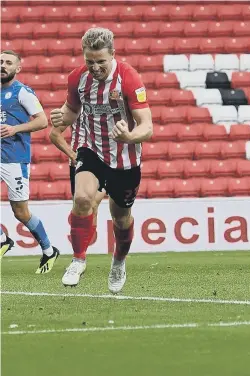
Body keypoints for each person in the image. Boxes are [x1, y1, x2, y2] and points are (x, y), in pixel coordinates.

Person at [50, 28, 153, 293]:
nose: (95, 67)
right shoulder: (77, 78)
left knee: (121, 218)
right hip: (90, 148)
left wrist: (130, 136)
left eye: (100, 61)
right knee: (82, 199)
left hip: (124, 156)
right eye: (90, 61)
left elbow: (147, 127)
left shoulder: (129, 78)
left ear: (113, 55)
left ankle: (118, 261)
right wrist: (61, 117)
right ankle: (78, 259)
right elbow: (71, 111)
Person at [0, 50, 60, 273]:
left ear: (17, 68)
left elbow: (43, 121)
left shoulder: (22, 92)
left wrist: (15, 128)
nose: (3, 66)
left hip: (15, 159)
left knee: (21, 212)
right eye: (0, 62)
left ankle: (48, 250)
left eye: (8, 63)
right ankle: (2, 240)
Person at [49, 118, 106, 246]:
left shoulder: (109, 105)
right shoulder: (76, 104)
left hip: (106, 159)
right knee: (83, 205)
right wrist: (73, 155)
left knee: (94, 204)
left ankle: (82, 251)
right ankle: (80, 254)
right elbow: (54, 134)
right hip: (81, 160)